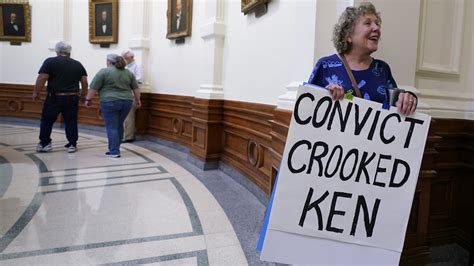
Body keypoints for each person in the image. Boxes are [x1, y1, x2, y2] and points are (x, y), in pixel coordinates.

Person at [308, 2, 418, 116]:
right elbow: (307, 107)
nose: (376, 28)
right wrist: (327, 94)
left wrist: (407, 99)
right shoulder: (325, 65)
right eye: (367, 23)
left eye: (377, 23)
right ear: (348, 35)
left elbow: (395, 108)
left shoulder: (382, 69)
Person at [33, 41, 88, 153]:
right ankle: (72, 144)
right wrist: (83, 95)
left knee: (47, 120)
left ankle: (45, 143)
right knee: (71, 121)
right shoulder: (77, 64)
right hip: (72, 97)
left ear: (57, 51)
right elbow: (84, 82)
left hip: (55, 98)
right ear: (69, 52)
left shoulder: (50, 62)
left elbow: (42, 78)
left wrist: (36, 92)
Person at [85, 54, 141, 158]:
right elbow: (136, 88)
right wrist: (138, 100)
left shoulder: (104, 72)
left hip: (109, 101)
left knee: (112, 126)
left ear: (109, 62)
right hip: (127, 102)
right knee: (119, 125)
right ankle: (116, 148)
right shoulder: (128, 73)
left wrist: (88, 99)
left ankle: (114, 151)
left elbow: (93, 87)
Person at [121, 50, 144, 143]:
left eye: (125, 58)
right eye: (123, 58)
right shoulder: (126, 67)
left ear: (131, 57)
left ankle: (128, 136)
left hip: (132, 94)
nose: (124, 60)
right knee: (125, 116)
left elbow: (139, 80)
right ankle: (125, 134)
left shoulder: (137, 66)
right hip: (124, 94)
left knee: (129, 116)